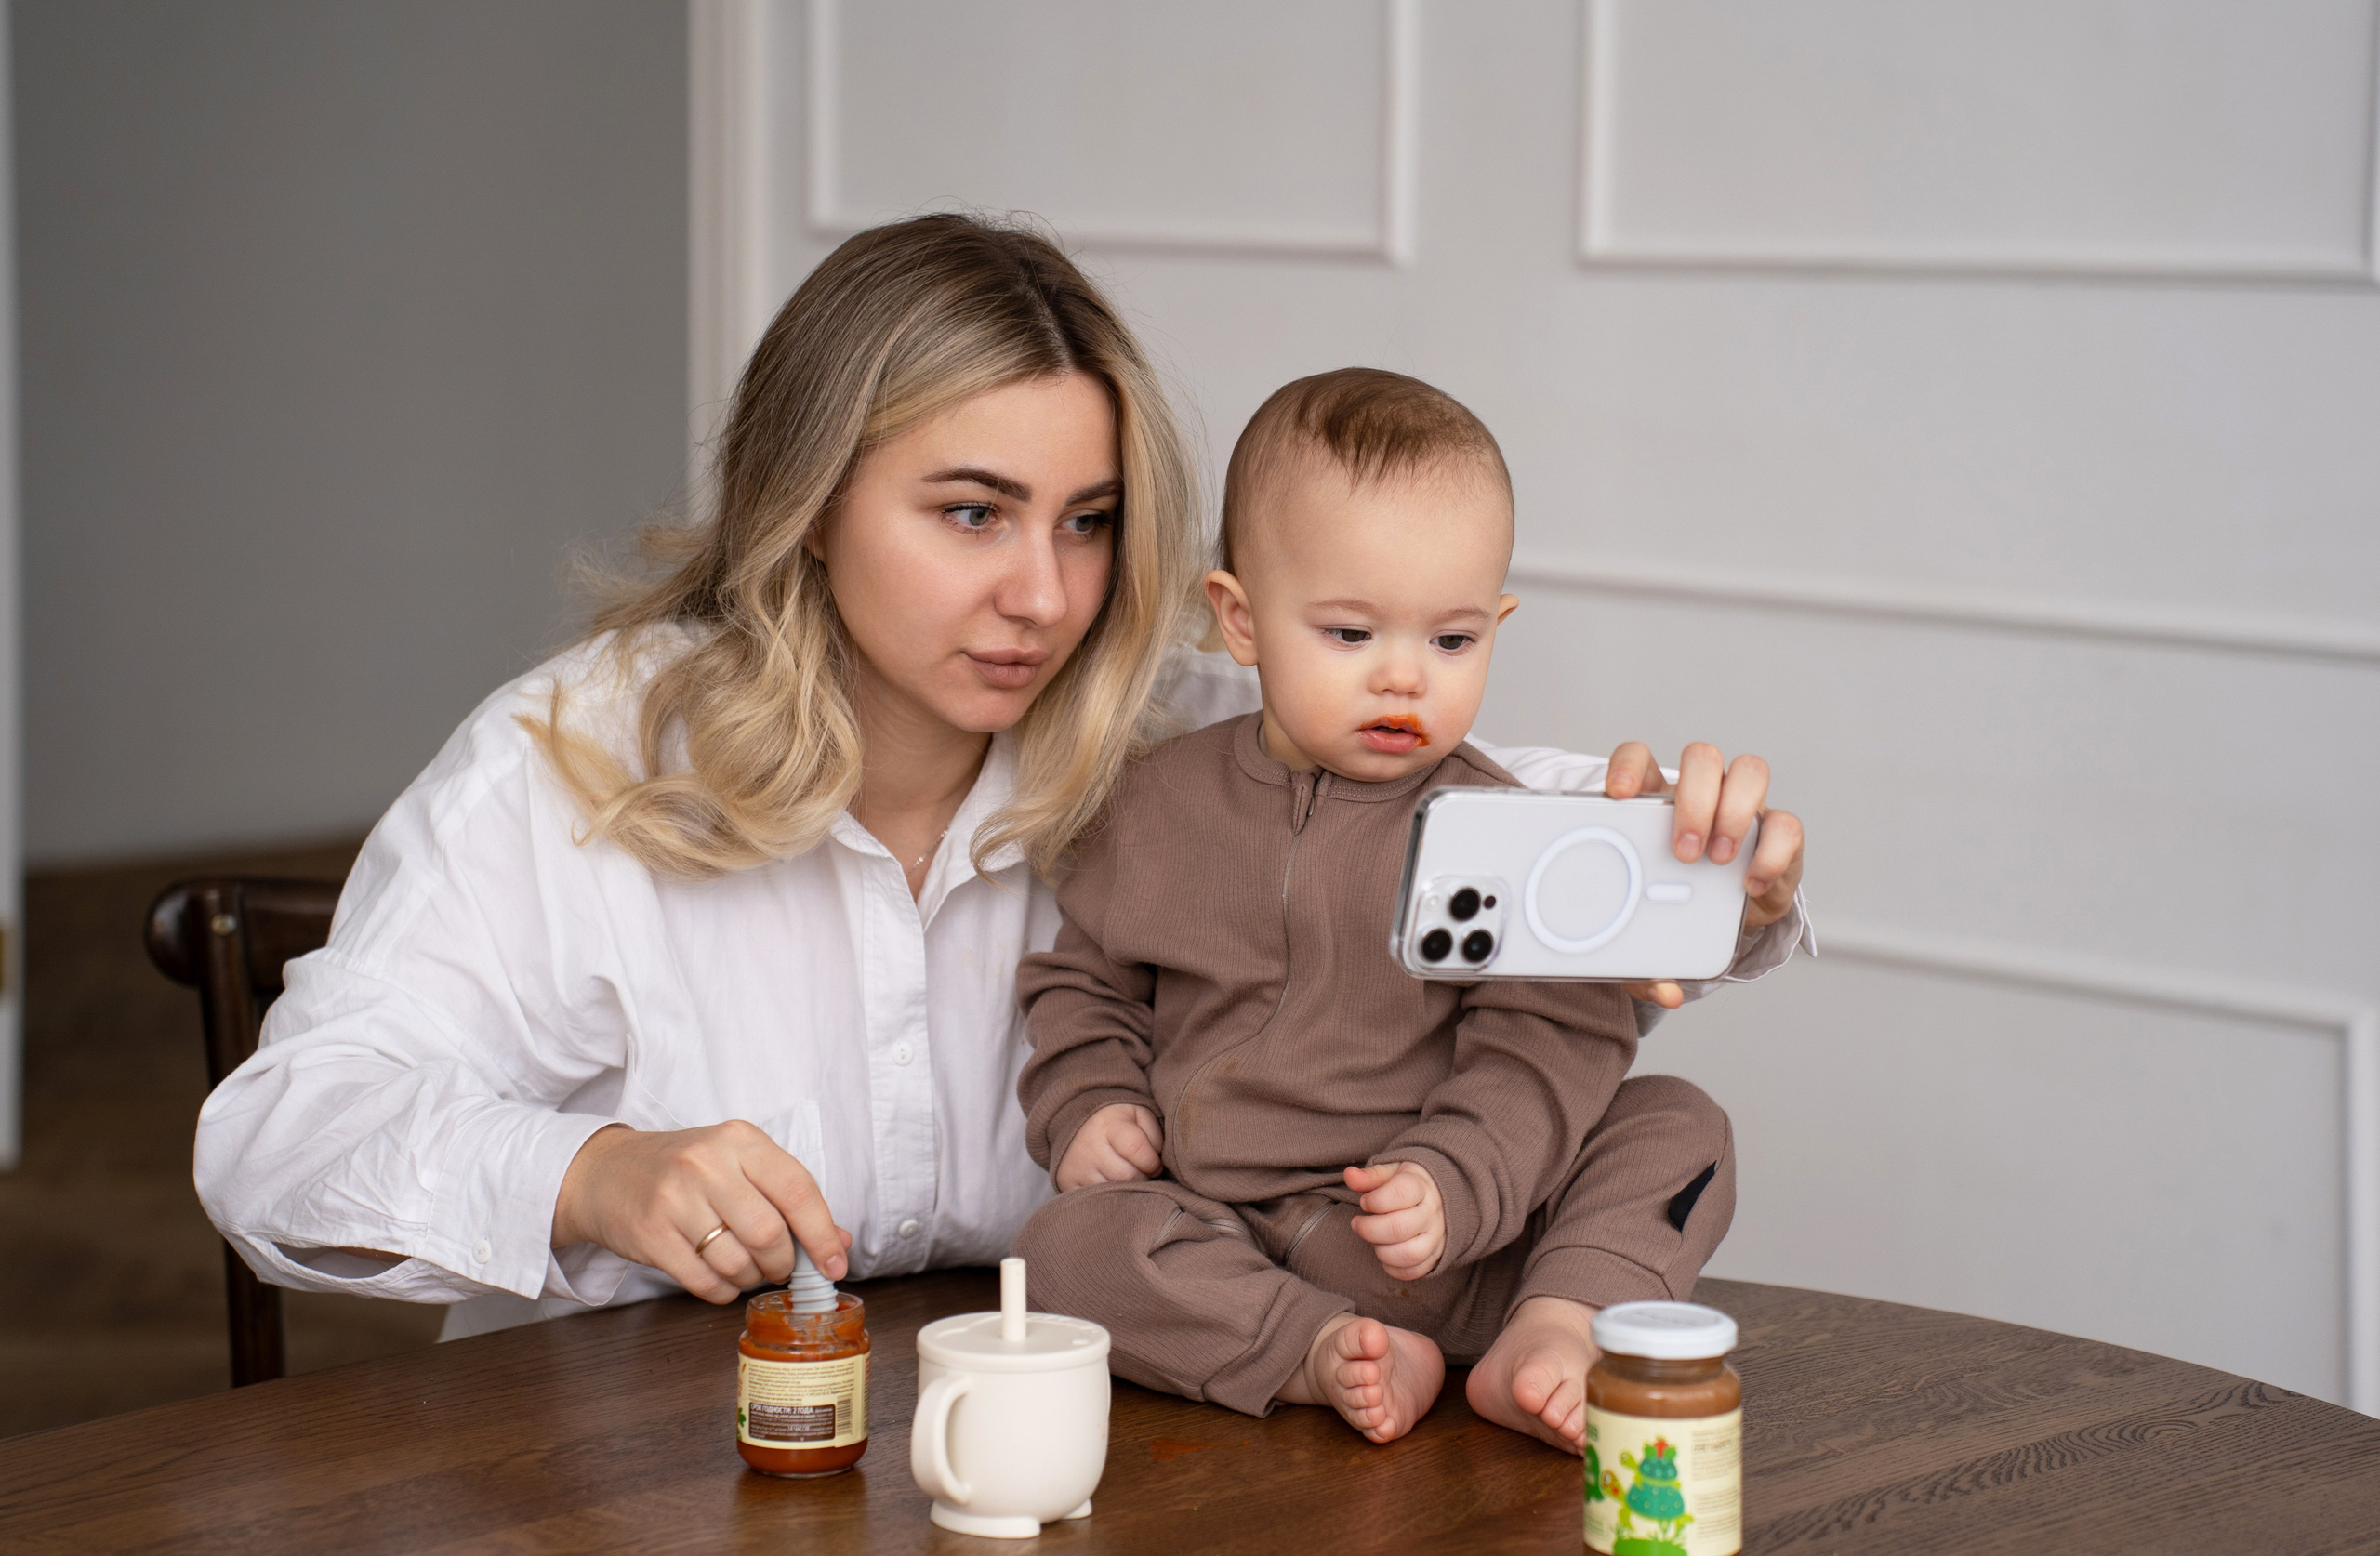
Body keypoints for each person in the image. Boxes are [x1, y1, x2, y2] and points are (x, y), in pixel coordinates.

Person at [193, 216, 1810, 1339]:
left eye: (1088, 520)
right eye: (971, 512)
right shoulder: (573, 763)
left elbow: (1485, 815)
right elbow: (275, 1141)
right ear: (813, 501)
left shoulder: (1176, 728)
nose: (1045, 593)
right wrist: (592, 1174)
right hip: (635, 1476)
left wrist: (1715, 870)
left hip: (1113, 1449)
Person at [1013, 369, 1783, 1454]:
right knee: (1064, 1246)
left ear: (1495, 626)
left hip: (1458, 1242)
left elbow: (1552, 1040)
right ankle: (1318, 1353)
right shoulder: (1151, 805)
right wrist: (1086, 1103)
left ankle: (1555, 1330)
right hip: (1227, 1230)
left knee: (1677, 1123)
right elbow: (1082, 981)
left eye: (1452, 641)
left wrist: (1450, 1185)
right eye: (1349, 634)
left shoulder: (1501, 831)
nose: (1404, 681)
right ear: (1238, 618)